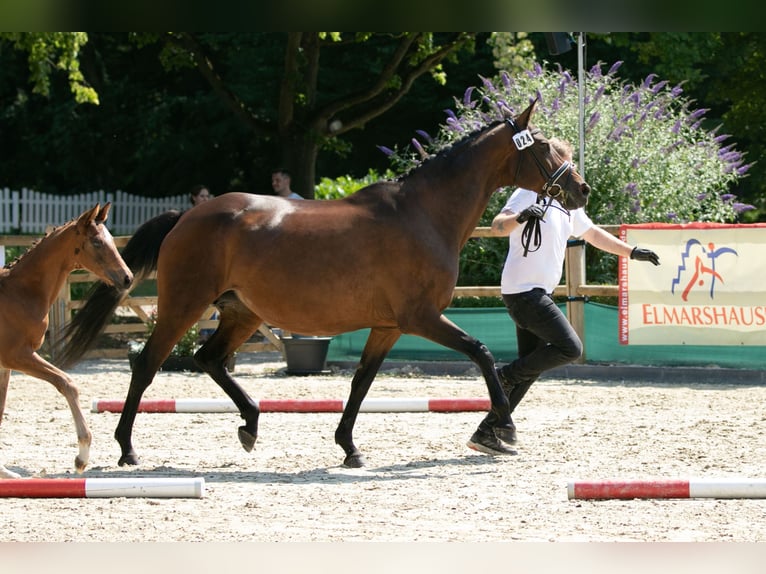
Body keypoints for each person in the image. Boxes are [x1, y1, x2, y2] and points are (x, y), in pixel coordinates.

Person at [467, 137, 660, 455]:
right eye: (561, 166)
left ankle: (487, 432)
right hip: (522, 292)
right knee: (570, 347)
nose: (565, 171)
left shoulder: (566, 203)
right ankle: (503, 377)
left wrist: (631, 252)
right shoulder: (527, 192)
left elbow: (593, 233)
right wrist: (521, 217)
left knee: (531, 368)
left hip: (536, 292)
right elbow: (498, 226)